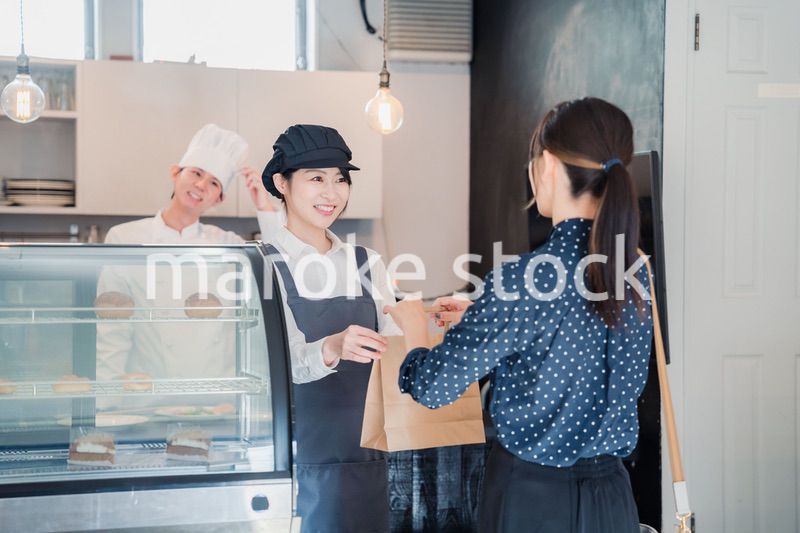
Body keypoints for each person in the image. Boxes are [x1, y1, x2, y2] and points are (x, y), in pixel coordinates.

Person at [385, 97, 653, 533]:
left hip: (532, 500)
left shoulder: (526, 280)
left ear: (547, 165)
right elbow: (578, 331)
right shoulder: (638, 272)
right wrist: (486, 316)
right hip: (615, 500)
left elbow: (433, 386)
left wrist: (416, 329)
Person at [260, 124, 400, 533]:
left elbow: (395, 350)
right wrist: (333, 346)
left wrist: (430, 324)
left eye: (341, 179)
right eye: (316, 178)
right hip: (295, 460)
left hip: (369, 457)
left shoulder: (367, 261)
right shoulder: (263, 263)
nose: (332, 192)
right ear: (281, 183)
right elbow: (273, 367)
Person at [96, 123, 283, 385]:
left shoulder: (230, 247)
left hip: (216, 398)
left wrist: (264, 205)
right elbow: (112, 326)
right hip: (148, 394)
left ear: (219, 198)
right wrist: (107, 396)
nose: (201, 185)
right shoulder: (125, 238)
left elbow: (281, 268)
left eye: (214, 182)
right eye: (196, 173)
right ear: (175, 173)